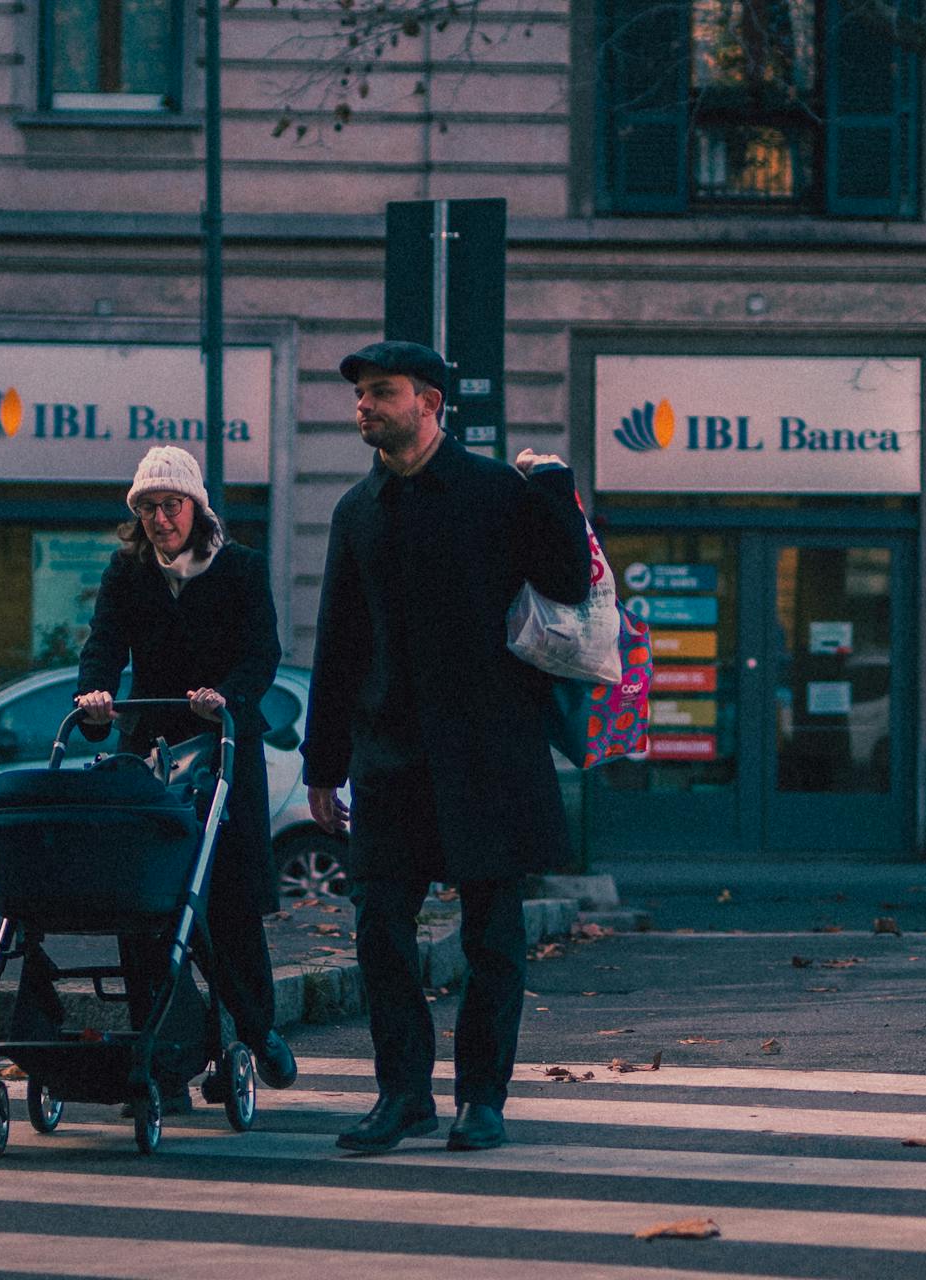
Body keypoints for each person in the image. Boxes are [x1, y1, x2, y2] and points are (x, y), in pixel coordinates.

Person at [302, 341, 591, 1152]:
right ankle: (403, 1095)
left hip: (487, 751)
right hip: (388, 754)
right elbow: (337, 641)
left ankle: (481, 1100)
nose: (364, 405)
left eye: (381, 391)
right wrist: (321, 763)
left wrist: (557, 489)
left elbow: (569, 581)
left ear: (430, 401)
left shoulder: (498, 491)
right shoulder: (356, 511)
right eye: (359, 393)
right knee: (379, 930)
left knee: (491, 936)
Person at [73, 444, 297, 1107]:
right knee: (145, 908)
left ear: (195, 507)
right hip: (152, 751)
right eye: (147, 509)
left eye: (170, 506)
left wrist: (226, 695)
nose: (160, 519)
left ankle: (258, 1032)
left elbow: (263, 653)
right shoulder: (127, 571)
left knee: (226, 904)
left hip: (224, 751)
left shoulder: (242, 568)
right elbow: (104, 646)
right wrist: (94, 700)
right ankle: (165, 1061)